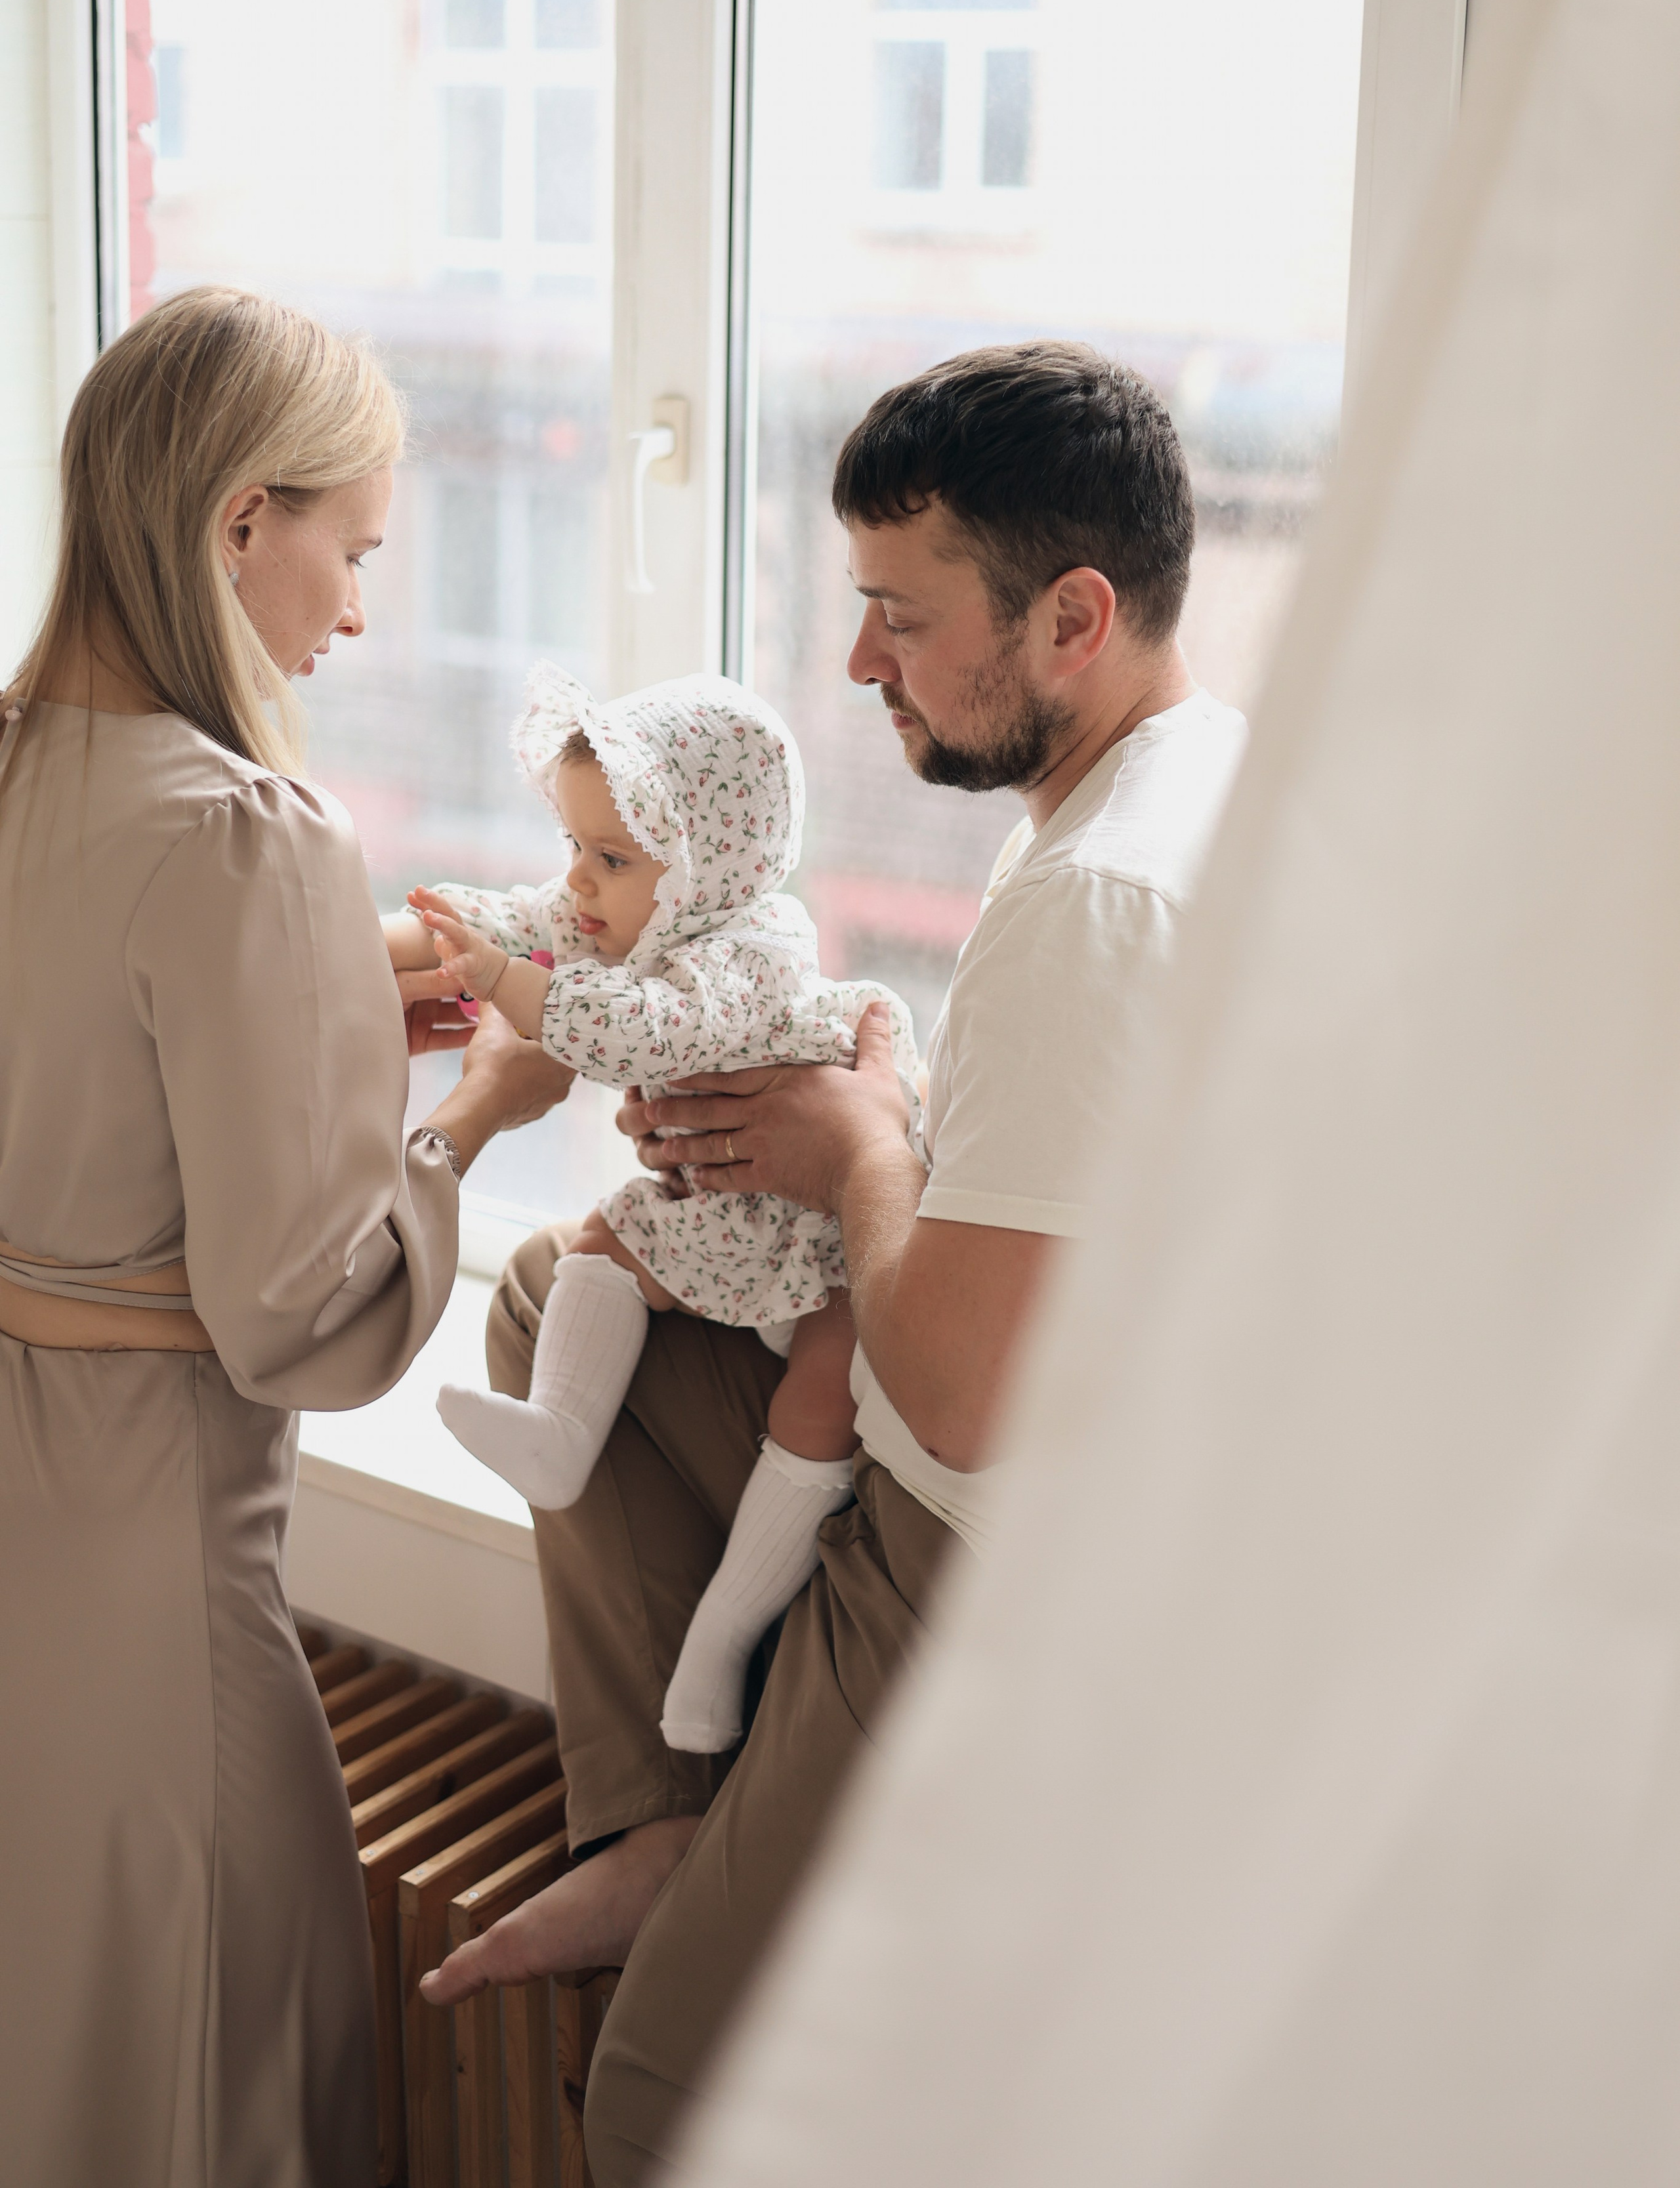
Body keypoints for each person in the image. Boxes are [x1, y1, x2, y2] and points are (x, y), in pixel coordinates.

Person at [418, 340, 1251, 2186]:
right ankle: (659, 1825)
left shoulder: (1098, 899)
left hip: (987, 1548)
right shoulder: (1210, 786)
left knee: (655, 2104)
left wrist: (861, 1148)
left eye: (897, 613)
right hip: (1082, 1473)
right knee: (566, 1288)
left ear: (1072, 618)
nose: (859, 660)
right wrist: (880, 1123)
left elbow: (954, 1388)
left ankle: (699, 1870)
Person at [0, 287, 572, 2188]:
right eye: (357, 547)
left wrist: (332, 1005)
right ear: (243, 517)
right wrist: (472, 1114)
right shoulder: (247, 831)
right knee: (213, 2064)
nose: (357, 610)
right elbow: (307, 1322)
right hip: (154, 1602)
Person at [386, 663, 919, 1751]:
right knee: (605, 1239)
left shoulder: (752, 950)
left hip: (820, 1237)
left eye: (611, 857)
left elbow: (642, 1034)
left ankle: (724, 1636)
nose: (579, 880)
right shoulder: (630, 907)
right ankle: (559, 1435)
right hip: (718, 1211)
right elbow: (527, 920)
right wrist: (415, 938)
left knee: (825, 1387)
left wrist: (503, 980)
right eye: (575, 846)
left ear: (707, 863)